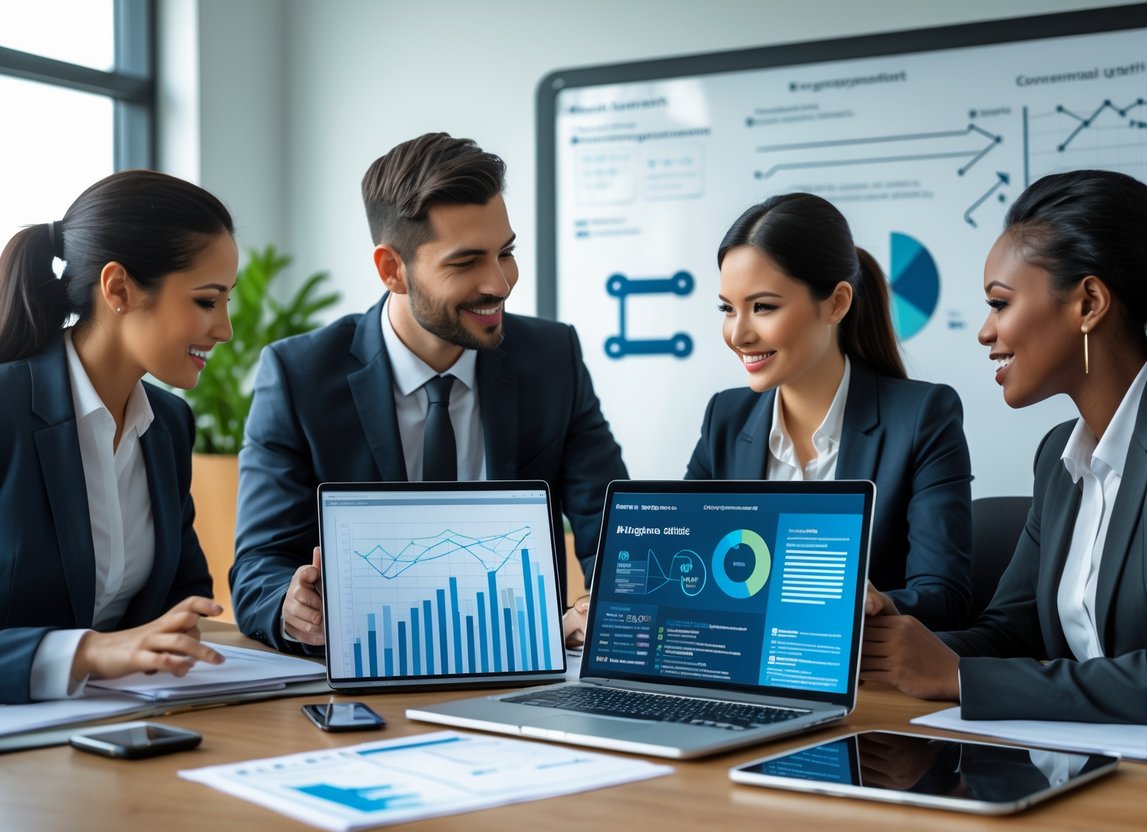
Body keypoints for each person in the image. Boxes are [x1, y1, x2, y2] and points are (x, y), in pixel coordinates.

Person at [231, 132, 627, 653]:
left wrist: (601, 607)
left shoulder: (552, 359)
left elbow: (615, 533)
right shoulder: (298, 376)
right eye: (465, 263)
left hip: (520, 662)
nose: (500, 283)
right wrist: (292, 605)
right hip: (370, 665)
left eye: (505, 253)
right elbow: (259, 568)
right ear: (392, 269)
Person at [861, 169, 1147, 725]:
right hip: (1091, 759)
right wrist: (891, 641)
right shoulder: (1057, 457)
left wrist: (957, 676)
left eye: (1000, 303)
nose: (985, 331)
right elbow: (1010, 633)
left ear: (1088, 303)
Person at [562, 193, 974, 647]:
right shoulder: (725, 418)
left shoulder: (922, 417)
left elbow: (945, 599)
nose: (738, 334)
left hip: (859, 676)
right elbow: (679, 563)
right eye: (727, 309)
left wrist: (874, 604)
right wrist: (606, 604)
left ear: (836, 303)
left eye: (763, 307)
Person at [0, 170, 236, 704]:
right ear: (119, 289)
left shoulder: (168, 425)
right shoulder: (8, 410)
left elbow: (184, 596)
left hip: (126, 721)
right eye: (206, 301)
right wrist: (87, 653)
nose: (224, 329)